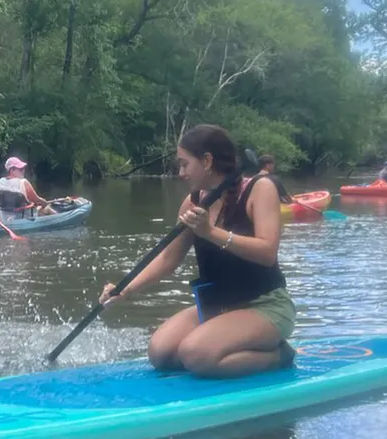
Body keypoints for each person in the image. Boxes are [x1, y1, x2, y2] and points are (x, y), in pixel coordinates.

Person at [98, 124, 296, 379]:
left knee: (195, 354)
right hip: (217, 306)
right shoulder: (191, 204)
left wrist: (211, 232)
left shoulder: (260, 188)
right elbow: (168, 258)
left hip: (266, 306)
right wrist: (125, 289)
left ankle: (279, 355)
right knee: (160, 354)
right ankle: (220, 347)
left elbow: (267, 252)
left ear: (207, 161)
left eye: (184, 164)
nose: (181, 173)